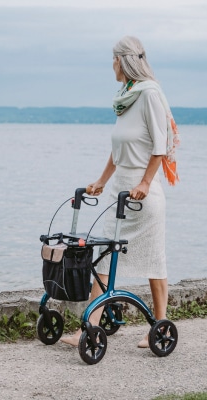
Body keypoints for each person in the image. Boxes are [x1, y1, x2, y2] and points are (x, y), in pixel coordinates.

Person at [61, 35, 179, 348]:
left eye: (113, 60)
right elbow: (118, 150)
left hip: (144, 195)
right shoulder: (126, 96)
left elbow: (161, 144)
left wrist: (144, 182)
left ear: (123, 61)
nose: (111, 65)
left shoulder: (149, 94)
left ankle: (160, 326)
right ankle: (89, 328)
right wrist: (101, 181)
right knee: (101, 258)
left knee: (154, 261)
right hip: (118, 193)